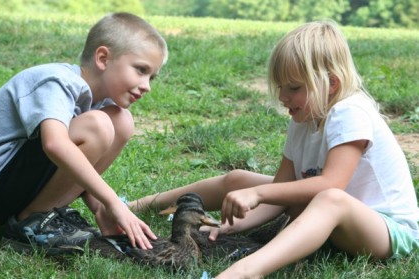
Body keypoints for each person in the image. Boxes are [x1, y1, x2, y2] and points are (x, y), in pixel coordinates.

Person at [129, 20, 419, 278]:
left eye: (293, 87)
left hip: (387, 232)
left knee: (330, 198)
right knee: (238, 179)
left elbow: (333, 184)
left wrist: (257, 193)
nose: (282, 96)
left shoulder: (349, 112)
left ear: (331, 84)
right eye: (280, 87)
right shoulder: (302, 118)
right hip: (333, 217)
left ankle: (246, 271)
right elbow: (282, 190)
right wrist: (232, 226)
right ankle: (135, 207)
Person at [0, 12, 168, 255]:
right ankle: (32, 221)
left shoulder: (100, 100)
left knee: (121, 121)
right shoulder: (58, 81)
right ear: (103, 58)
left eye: (151, 76)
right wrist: (113, 202)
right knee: (99, 125)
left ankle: (44, 215)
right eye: (140, 70)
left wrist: (100, 209)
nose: (147, 85)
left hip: (16, 183)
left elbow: (76, 163)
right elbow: (55, 145)